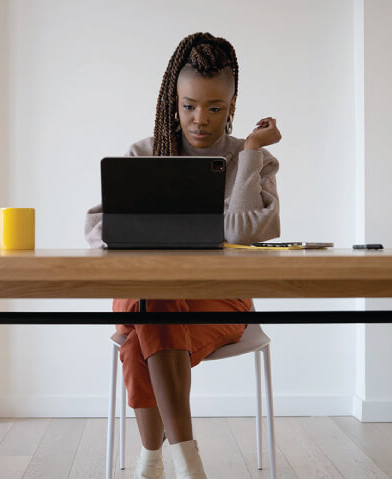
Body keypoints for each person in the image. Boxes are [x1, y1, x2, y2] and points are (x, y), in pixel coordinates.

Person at [84, 32, 281, 479]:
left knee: (143, 330)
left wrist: (249, 152)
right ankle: (188, 465)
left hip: (222, 300)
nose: (200, 119)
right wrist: (140, 233)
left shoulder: (253, 161)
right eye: (189, 105)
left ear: (233, 106)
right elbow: (96, 230)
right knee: (155, 299)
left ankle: (154, 461)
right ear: (173, 100)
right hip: (144, 295)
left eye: (215, 108)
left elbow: (246, 230)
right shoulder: (143, 153)